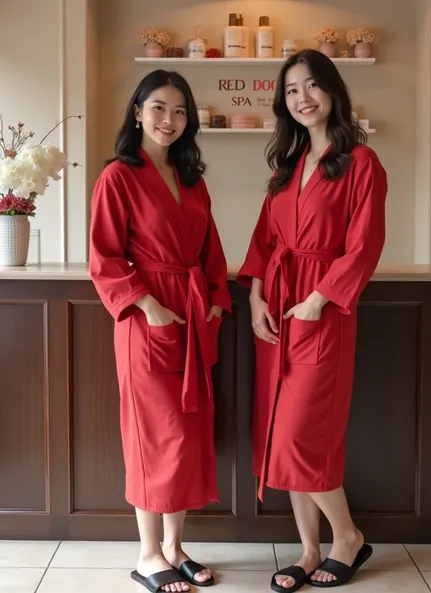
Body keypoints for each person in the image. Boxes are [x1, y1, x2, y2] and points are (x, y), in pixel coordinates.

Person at [236, 49, 387, 591]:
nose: (302, 98)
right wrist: (255, 298)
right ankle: (308, 550)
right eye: (292, 90)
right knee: (280, 431)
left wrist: (321, 298)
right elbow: (263, 240)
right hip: (277, 307)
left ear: (333, 91)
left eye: (312, 86)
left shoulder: (361, 163)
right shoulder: (286, 167)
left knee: (302, 433)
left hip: (322, 311)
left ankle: (347, 537)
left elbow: (364, 245)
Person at [89, 69, 231, 593]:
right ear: (137, 112)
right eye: (158, 109)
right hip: (147, 320)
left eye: (179, 111)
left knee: (187, 436)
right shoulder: (118, 177)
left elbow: (211, 251)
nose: (169, 120)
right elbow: (104, 258)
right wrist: (147, 305)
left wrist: (216, 299)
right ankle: (148, 552)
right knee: (155, 437)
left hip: (192, 317)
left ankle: (174, 547)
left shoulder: (192, 180)